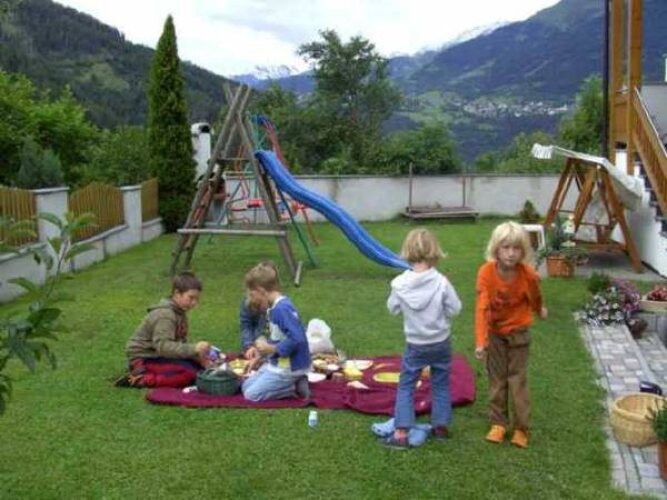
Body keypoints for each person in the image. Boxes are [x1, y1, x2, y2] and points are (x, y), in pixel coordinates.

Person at [385, 228, 462, 449]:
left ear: (407, 251)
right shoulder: (441, 282)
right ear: (434, 251)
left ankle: (401, 432)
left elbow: (392, 308)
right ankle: (440, 427)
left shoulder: (400, 284)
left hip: (415, 344)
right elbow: (455, 308)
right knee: (440, 383)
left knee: (407, 384)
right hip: (440, 342)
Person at [475, 221, 548, 449]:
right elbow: (482, 307)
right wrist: (481, 341)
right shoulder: (486, 273)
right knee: (497, 379)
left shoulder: (528, 275)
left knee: (517, 380)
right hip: (495, 334)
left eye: (516, 248)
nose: (511, 253)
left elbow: (535, 296)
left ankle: (520, 428)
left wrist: (539, 309)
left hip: (519, 333)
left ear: (523, 251)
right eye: (505, 247)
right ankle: (498, 423)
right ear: (496, 249)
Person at [115, 272, 212, 388]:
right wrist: (194, 348)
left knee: (198, 368)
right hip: (145, 357)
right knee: (189, 374)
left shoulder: (179, 312)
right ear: (177, 293)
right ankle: (140, 379)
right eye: (191, 298)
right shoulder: (165, 315)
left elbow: (179, 343)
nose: (194, 303)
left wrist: (197, 356)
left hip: (158, 355)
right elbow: (163, 347)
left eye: (197, 299)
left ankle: (152, 373)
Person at [241, 262, 311, 402]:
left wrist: (272, 349)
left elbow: (298, 338)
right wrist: (259, 357)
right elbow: (278, 337)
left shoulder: (282, 309)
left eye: (252, 294)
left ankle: (293, 386)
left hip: (289, 367)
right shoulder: (274, 307)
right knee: (245, 386)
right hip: (277, 363)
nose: (251, 299)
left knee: (251, 395)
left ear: (261, 291)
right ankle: (293, 381)